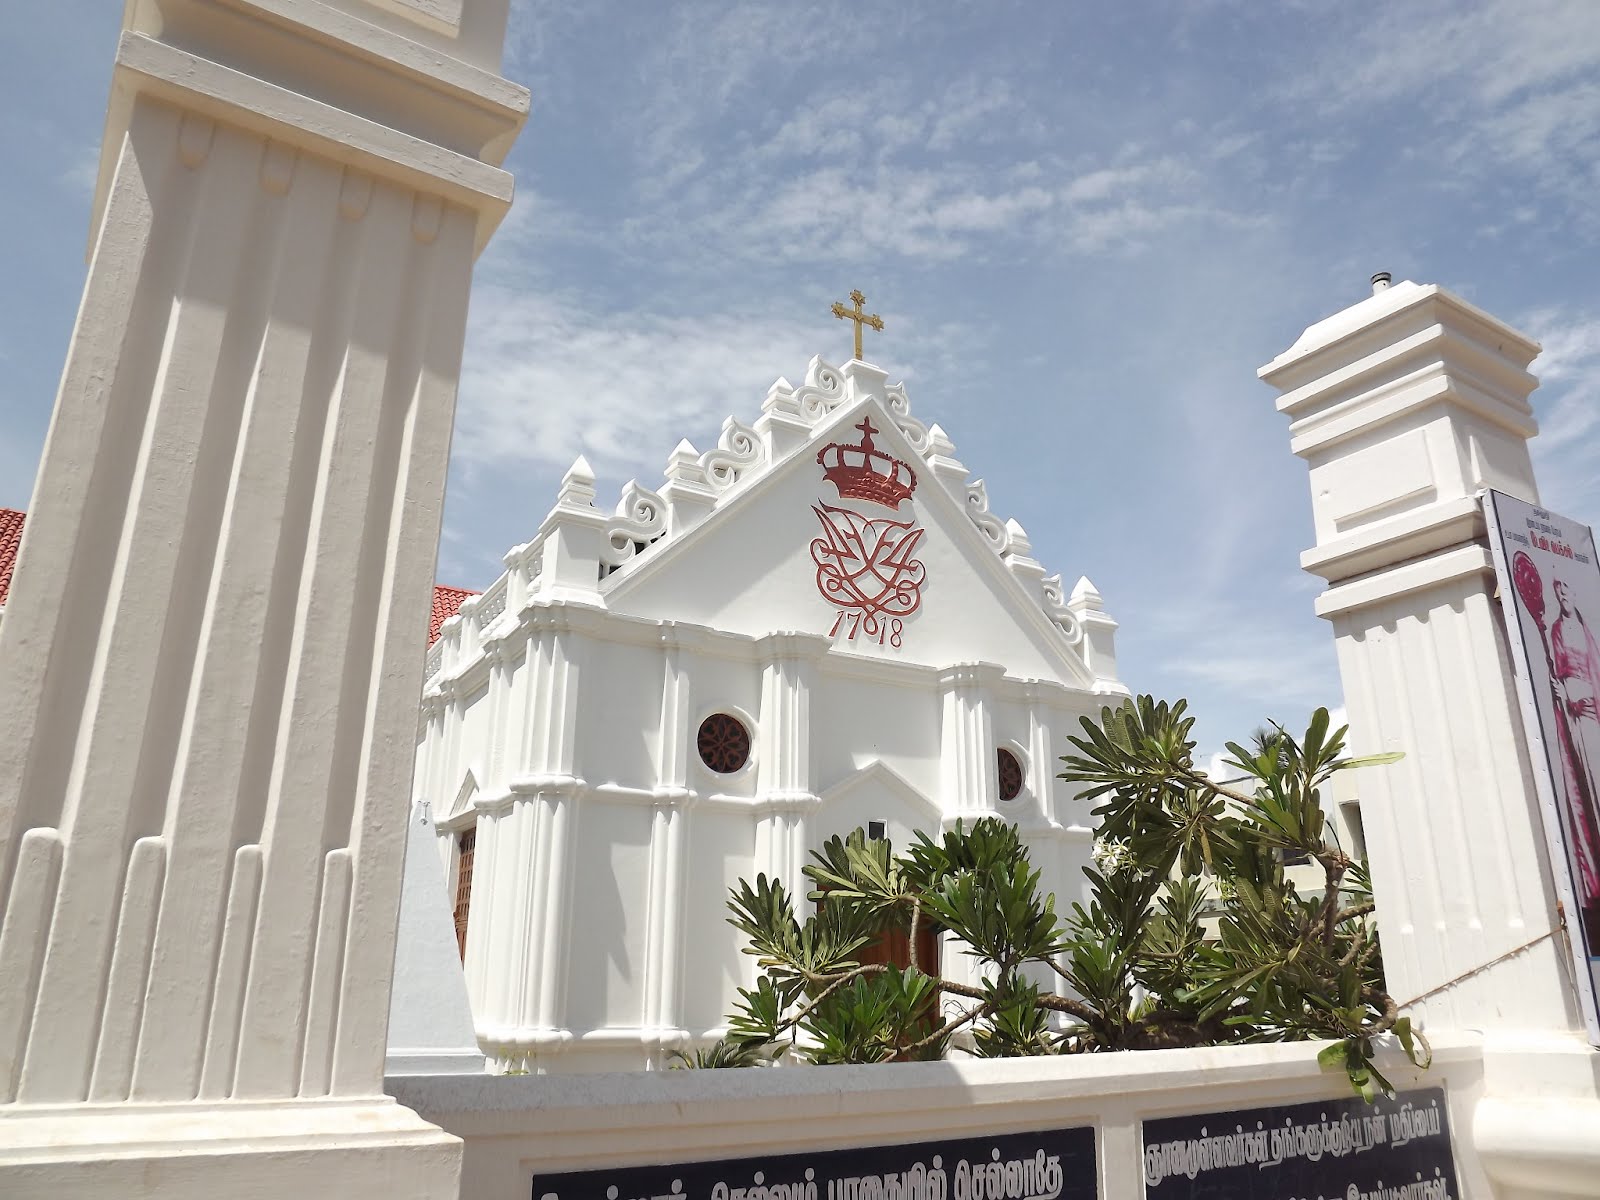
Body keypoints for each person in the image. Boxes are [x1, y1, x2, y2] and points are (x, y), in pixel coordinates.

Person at [1550, 577, 1600, 949]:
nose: (1564, 595)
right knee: (1587, 793)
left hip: (1595, 711)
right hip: (1577, 717)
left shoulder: (1584, 626)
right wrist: (1569, 701)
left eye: (1567, 589)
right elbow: (1559, 676)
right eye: (1559, 591)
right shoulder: (1555, 630)